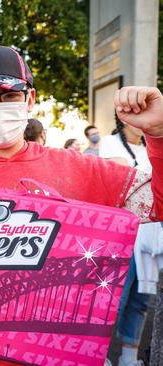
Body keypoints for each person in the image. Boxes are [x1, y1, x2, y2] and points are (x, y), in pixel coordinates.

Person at [0, 44, 163, 366]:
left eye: (9, 95)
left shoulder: (79, 167)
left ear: (30, 99)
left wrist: (159, 133)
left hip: (65, 354)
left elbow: (157, 204)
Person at [100, 115, 158, 366]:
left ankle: (128, 357)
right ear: (122, 119)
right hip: (122, 236)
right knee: (116, 300)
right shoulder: (110, 142)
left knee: (141, 297)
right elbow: (122, 179)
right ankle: (98, 354)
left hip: (153, 234)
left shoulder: (152, 147)